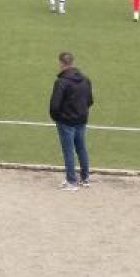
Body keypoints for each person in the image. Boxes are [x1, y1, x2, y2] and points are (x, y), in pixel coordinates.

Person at [49, 51, 93, 189]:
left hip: (66, 121)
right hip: (81, 119)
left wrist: (57, 118)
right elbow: (90, 100)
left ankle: (71, 181)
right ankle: (85, 178)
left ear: (61, 63)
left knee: (68, 151)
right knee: (81, 148)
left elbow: (54, 105)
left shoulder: (61, 82)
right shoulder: (85, 80)